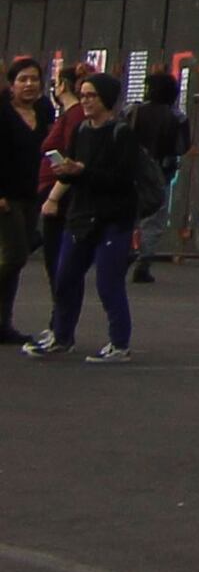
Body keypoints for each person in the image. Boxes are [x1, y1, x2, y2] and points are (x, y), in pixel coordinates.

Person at [26, 67, 144, 360]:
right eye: (83, 95)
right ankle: (62, 336)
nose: (86, 101)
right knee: (65, 278)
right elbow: (76, 169)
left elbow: (123, 179)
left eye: (92, 96)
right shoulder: (81, 130)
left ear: (106, 99)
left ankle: (119, 343)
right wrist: (63, 179)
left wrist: (83, 172)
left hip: (113, 217)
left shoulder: (121, 133)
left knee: (108, 282)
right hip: (81, 215)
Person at [0, 58, 48, 342]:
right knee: (15, 255)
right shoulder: (2, 112)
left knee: (16, 260)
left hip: (33, 194)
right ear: (11, 84)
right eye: (22, 80)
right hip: (6, 197)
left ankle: (3, 323)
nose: (29, 84)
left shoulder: (43, 111)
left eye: (34, 79)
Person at [126, 68, 185, 284]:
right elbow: (181, 146)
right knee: (154, 219)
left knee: (127, 215)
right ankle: (144, 260)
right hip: (160, 171)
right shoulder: (177, 117)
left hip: (130, 170)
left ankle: (124, 251)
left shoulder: (133, 111)